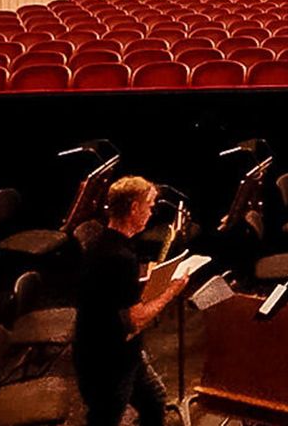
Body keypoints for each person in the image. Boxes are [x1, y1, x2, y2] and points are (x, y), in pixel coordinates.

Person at [75, 175, 188, 426]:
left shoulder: (107, 241)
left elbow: (112, 290)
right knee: (105, 418)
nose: (151, 211)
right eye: (148, 205)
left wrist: (148, 274)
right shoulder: (119, 257)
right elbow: (135, 320)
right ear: (134, 208)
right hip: (107, 362)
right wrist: (172, 290)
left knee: (155, 401)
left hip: (122, 353)